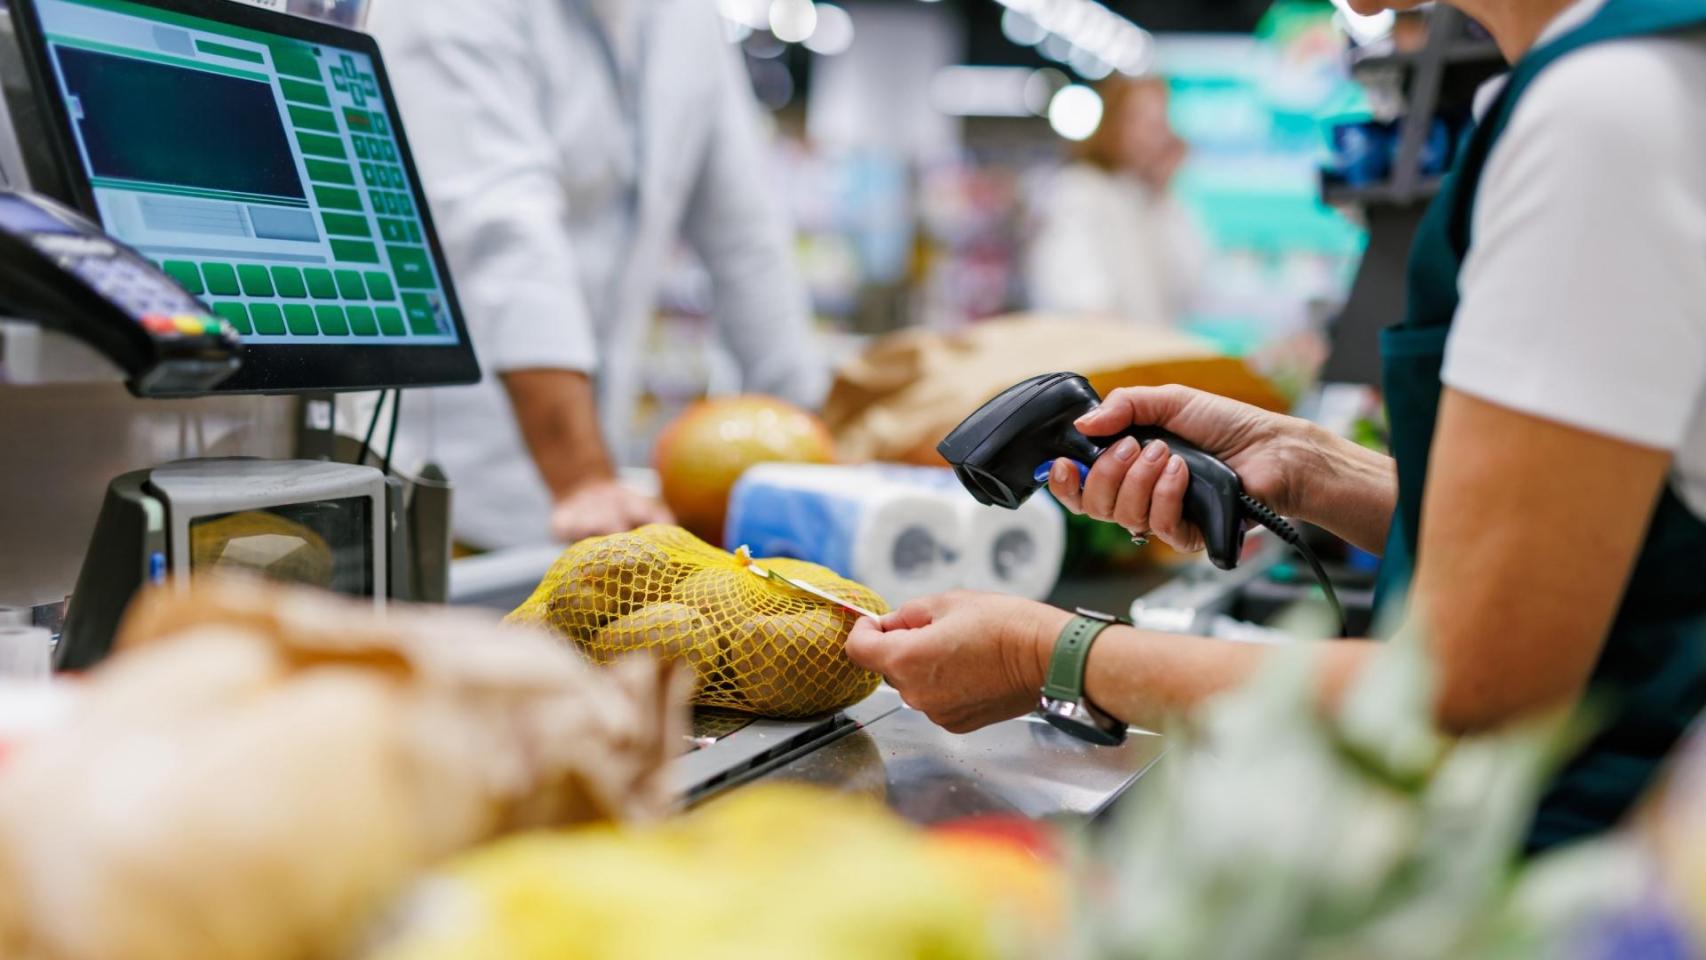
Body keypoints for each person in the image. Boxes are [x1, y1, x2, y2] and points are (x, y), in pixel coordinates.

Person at [849, 0, 1706, 852]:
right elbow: (1587, 539)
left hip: (1594, 862)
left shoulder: (1600, 116)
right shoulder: (1624, 76)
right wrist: (1310, 465)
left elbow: (1462, 698)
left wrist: (1047, 655)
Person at [368, 0, 828, 549]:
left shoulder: (684, 20)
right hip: (452, 498)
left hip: (599, 487)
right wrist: (584, 480)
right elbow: (504, 234)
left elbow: (747, 238)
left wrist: (815, 458)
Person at [1025, 75, 1207, 327]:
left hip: (1145, 352)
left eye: (1159, 123)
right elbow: (1076, 289)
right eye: (1142, 122)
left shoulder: (1153, 200)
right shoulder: (1080, 189)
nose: (1154, 136)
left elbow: (1189, 286)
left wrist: (1164, 194)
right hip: (1104, 354)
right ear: (1114, 124)